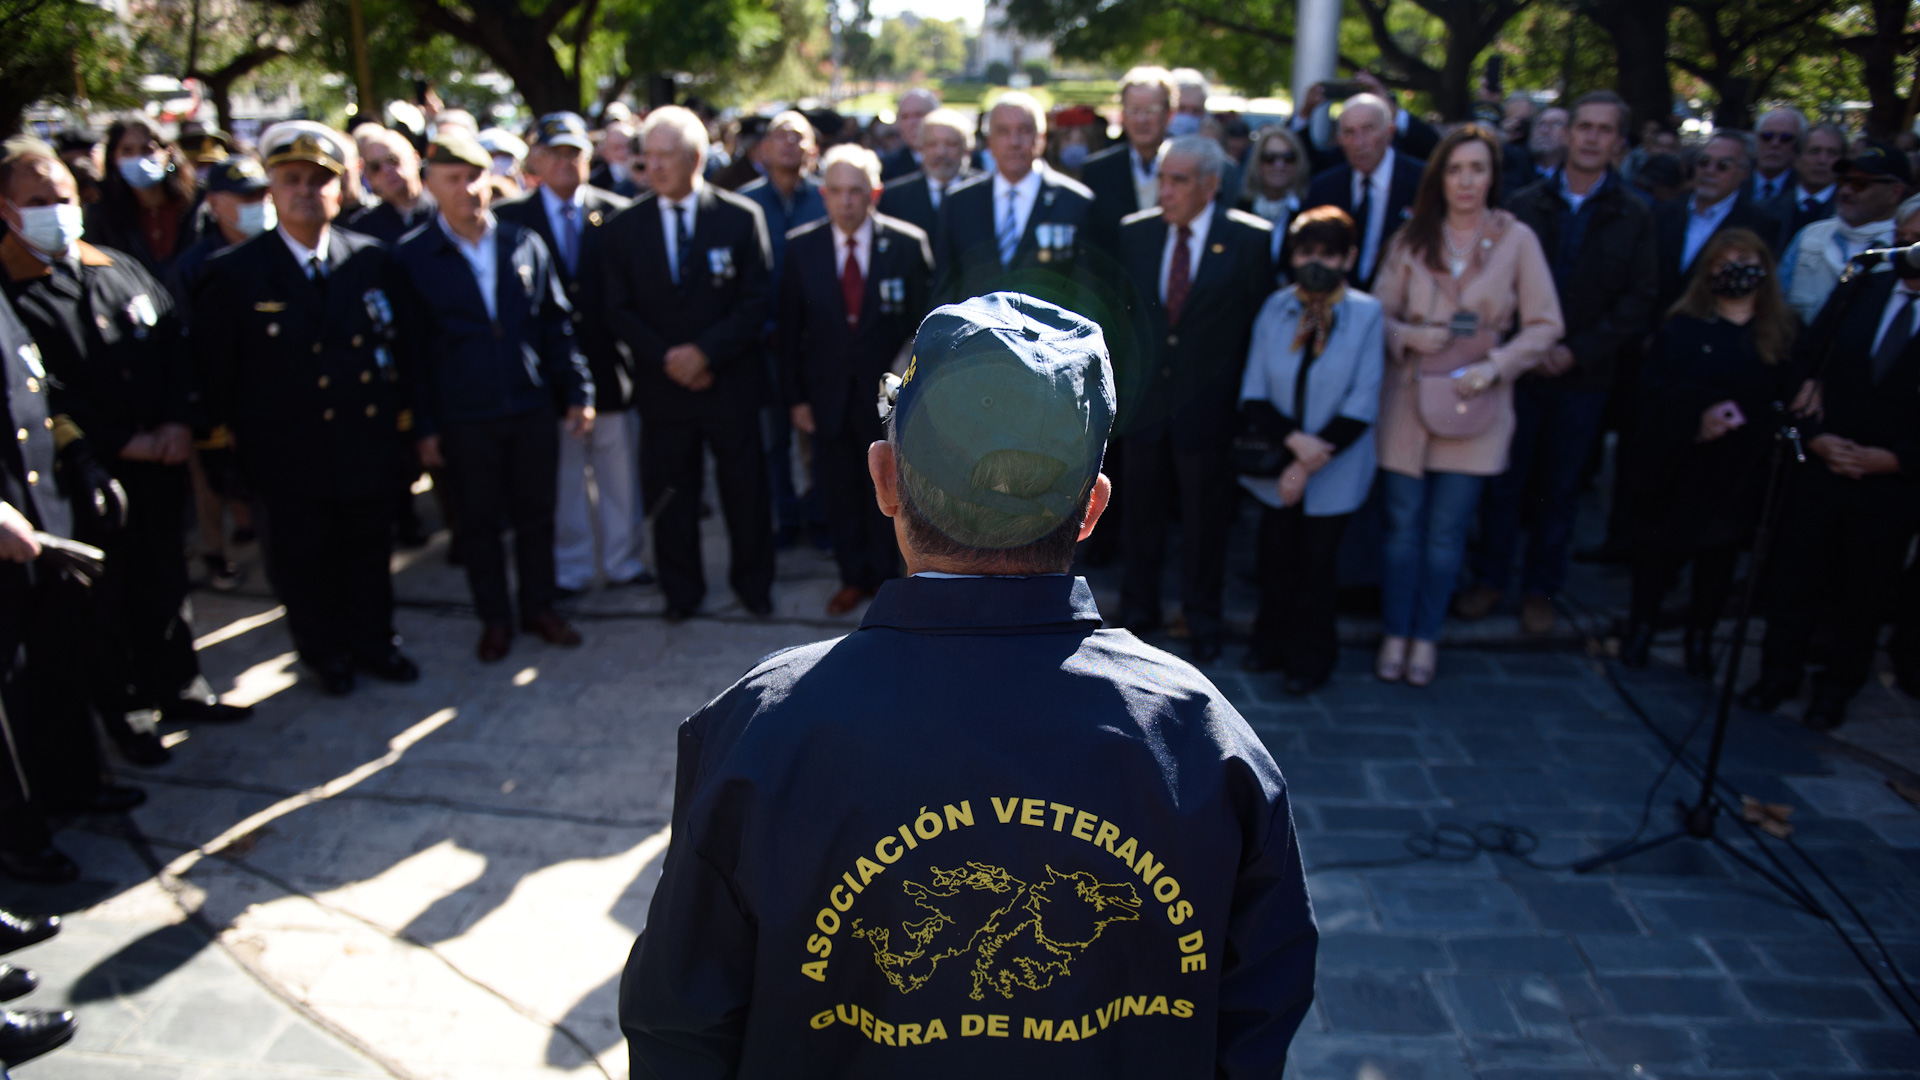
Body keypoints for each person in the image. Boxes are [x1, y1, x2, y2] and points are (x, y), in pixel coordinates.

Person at [618, 291, 1317, 1078]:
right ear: (1091, 510)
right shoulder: (1204, 741)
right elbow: (1257, 1023)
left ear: (885, 480)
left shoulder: (760, 729)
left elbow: (678, 1026)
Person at [1, 137, 251, 768]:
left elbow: (174, 347)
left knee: (166, 583)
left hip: (162, 463)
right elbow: (36, 398)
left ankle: (182, 686)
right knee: (103, 603)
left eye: (61, 197)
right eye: (36, 201)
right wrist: (117, 442)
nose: (54, 210)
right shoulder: (9, 290)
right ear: (6, 209)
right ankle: (129, 713)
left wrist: (175, 422)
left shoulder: (115, 267)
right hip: (83, 477)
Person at [192, 126, 422, 696]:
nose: (305, 191)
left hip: (362, 441)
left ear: (339, 190)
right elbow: (215, 372)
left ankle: (375, 641)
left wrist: (405, 431)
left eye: (319, 180)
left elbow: (403, 352)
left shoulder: (370, 260)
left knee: (369, 550)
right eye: (291, 180)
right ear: (270, 188)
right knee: (303, 559)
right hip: (285, 453)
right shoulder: (234, 273)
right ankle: (324, 653)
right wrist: (218, 449)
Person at [1457, 91, 1657, 636]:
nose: (1592, 138)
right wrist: (1528, 347)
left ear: (1618, 141)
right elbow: (1492, 285)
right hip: (1517, 372)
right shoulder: (1523, 203)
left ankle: (1541, 588)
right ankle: (1490, 579)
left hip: (1584, 379)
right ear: (1569, 134)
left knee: (1559, 490)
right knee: (1504, 482)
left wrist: (1576, 350)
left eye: (1604, 130)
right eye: (1584, 127)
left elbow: (1638, 301)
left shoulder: (1635, 213)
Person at [1371, 125, 1564, 686]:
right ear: (1440, 177)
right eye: (1456, 170)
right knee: (1403, 529)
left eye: (1477, 169)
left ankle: (1425, 637)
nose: (1466, 181)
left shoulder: (1516, 239)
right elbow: (1375, 313)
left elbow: (1547, 324)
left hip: (1474, 404)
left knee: (1446, 534)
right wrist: (1407, 334)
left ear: (1492, 177)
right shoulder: (1412, 237)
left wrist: (1495, 366)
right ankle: (1395, 633)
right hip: (1408, 401)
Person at [393, 128, 594, 662]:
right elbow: (411, 352)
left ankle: (539, 606)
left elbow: (555, 325)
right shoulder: (413, 258)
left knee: (537, 514)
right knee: (478, 525)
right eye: (452, 179)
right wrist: (426, 427)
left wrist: (578, 390)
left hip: (528, 406)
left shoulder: (522, 242)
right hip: (464, 415)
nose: (467, 190)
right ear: (432, 185)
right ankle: (495, 619)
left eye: (475, 176)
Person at [1739, 199, 1920, 730]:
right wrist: (1815, 437)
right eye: (1904, 237)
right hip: (1821, 466)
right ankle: (1777, 674)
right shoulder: (1862, 286)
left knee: (1863, 593)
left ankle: (1836, 688)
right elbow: (1805, 362)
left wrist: (1894, 460)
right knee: (1795, 578)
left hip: (1890, 485)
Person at [602, 106, 777, 621]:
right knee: (673, 494)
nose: (653, 167)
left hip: (729, 382)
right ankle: (682, 592)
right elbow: (616, 307)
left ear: (696, 158)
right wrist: (669, 358)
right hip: (664, 388)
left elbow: (755, 300)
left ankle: (754, 585)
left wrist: (705, 353)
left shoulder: (740, 217)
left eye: (665, 156)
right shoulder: (623, 227)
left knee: (744, 491)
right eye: (646, 156)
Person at [1115, 136, 1275, 664]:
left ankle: (1202, 619)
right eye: (1162, 178)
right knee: (1140, 518)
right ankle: (1138, 616)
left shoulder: (1250, 240)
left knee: (1206, 526)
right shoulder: (1135, 234)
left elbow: (1256, 328)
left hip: (1208, 412)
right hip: (1146, 413)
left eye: (1178, 180)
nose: (1166, 191)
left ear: (1212, 185)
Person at [0, 283, 142, 882]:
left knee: (56, 659)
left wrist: (78, 456)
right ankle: (18, 839)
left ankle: (70, 787)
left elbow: (35, 391)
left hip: (38, 513)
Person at [1619, 228, 1797, 673]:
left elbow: (1789, 396)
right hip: (1680, 461)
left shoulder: (1784, 334)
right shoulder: (1681, 328)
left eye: (1746, 262)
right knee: (1658, 552)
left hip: (1739, 470)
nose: (1735, 272)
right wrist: (1699, 414)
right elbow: (1653, 390)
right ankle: (1641, 627)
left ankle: (1700, 637)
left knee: (1717, 560)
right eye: (1724, 263)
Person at [494, 112, 649, 597]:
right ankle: (573, 568)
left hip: (610, 367)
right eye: (554, 153)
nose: (565, 162)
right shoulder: (511, 219)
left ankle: (624, 562)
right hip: (548, 374)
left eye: (574, 153)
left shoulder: (617, 211)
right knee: (564, 481)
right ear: (535, 159)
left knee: (619, 473)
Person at [777, 145, 933, 614]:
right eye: (836, 192)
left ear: (875, 193)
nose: (846, 201)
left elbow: (925, 328)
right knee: (839, 489)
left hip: (889, 400)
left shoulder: (906, 245)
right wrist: (796, 398)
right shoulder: (800, 247)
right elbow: (788, 333)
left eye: (856, 192)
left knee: (892, 493)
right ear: (823, 195)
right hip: (826, 397)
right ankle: (852, 577)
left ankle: (891, 581)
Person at [1238, 208, 1383, 692]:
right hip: (1277, 463)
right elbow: (1254, 392)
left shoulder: (1366, 314)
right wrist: (1292, 452)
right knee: (1275, 560)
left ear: (1348, 258)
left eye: (1327, 253)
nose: (1315, 262)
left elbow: (1362, 402)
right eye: (1306, 252)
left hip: (1334, 466)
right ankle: (1268, 645)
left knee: (1318, 570)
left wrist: (1307, 462)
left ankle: (1310, 661)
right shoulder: (1274, 307)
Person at [164, 154, 272, 593]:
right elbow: (183, 343)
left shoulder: (274, 249)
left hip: (266, 391)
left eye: (261, 194)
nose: (255, 204)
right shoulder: (192, 268)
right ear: (214, 203)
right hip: (212, 394)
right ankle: (215, 552)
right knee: (211, 480)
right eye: (244, 196)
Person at [739, 112, 831, 552]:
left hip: (818, 343)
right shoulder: (745, 203)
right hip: (763, 342)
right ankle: (785, 517)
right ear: (763, 149)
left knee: (818, 435)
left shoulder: (826, 197)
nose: (790, 144)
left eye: (800, 137)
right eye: (781, 136)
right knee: (773, 438)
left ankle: (819, 514)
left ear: (813, 149)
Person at [931, 92, 1095, 306]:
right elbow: (945, 287)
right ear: (989, 141)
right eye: (1003, 132)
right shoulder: (959, 202)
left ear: (1042, 137)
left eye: (1025, 131)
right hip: (977, 337)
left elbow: (1088, 292)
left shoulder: (1076, 202)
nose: (1014, 142)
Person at [1652, 132, 1787, 315]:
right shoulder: (1662, 213)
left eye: (1722, 166)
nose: (1710, 170)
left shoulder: (1759, 225)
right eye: (1704, 162)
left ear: (1743, 173)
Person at [1302, 94, 1426, 291]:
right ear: (1339, 139)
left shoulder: (1423, 183)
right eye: (1349, 133)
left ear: (1390, 132)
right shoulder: (1323, 188)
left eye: (1368, 130)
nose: (1359, 142)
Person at [1780, 141, 1909, 324]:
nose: (1846, 191)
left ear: (1895, 192)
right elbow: (1775, 304)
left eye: (1860, 184)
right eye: (1843, 181)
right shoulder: (1809, 236)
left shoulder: (1904, 249)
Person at [83, 115, 200, 279]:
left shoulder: (199, 203)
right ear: (113, 158)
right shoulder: (102, 213)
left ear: (168, 153)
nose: (138, 158)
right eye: (127, 151)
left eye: (147, 150)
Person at [1080, 66, 1178, 257]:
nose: (1141, 120)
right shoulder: (1097, 171)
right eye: (1134, 110)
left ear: (1170, 114)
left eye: (1150, 110)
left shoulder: (1189, 168)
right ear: (1123, 116)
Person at [877, 107, 976, 240]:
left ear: (966, 148)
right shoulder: (893, 198)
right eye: (932, 144)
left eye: (950, 144)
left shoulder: (985, 192)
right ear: (920, 148)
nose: (941, 152)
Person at [344, 128, 438, 244]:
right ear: (368, 176)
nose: (386, 170)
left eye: (392, 159)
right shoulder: (363, 228)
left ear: (415, 159)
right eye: (375, 167)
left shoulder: (445, 211)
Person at [1238, 125, 1310, 268]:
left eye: (1288, 158)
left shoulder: (1308, 213)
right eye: (1269, 158)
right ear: (1258, 163)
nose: (1279, 165)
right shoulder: (1239, 210)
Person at [1769, 122, 1844, 242]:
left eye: (1832, 153)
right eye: (1815, 152)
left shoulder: (1849, 212)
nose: (1822, 161)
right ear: (1796, 159)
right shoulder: (1766, 210)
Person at [879, 87, 941, 182]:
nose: (911, 123)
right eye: (905, 117)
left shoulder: (958, 162)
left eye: (919, 115)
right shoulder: (886, 168)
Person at [1750, 108, 1808, 204]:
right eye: (1767, 136)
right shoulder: (1734, 178)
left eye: (1786, 138)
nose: (1775, 144)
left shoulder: (1805, 186)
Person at [590, 120, 641, 197]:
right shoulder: (595, 184)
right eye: (616, 148)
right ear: (605, 153)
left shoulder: (647, 175)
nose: (624, 152)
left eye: (628, 146)